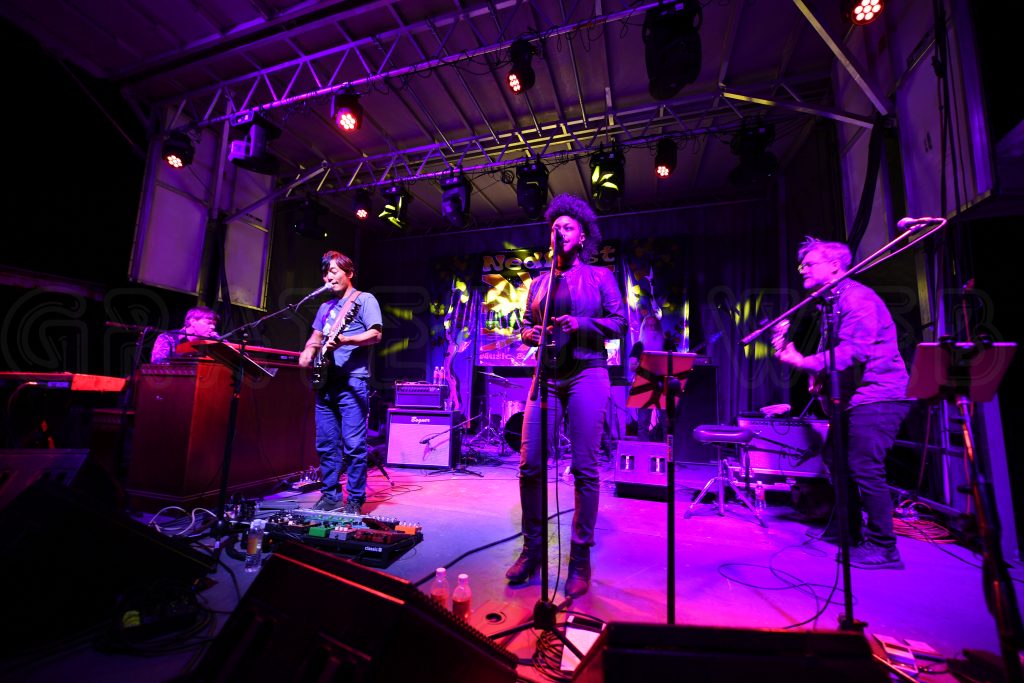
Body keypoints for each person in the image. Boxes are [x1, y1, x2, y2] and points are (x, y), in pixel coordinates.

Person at [505, 194, 627, 597]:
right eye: (555, 227)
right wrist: (531, 333)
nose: (560, 231)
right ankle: (532, 549)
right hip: (547, 376)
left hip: (587, 373)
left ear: (582, 235)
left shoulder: (600, 276)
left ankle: (579, 558)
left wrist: (582, 323)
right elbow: (525, 325)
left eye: (568, 227)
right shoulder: (540, 282)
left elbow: (620, 323)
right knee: (530, 465)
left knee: (585, 468)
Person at [776, 237, 911, 569]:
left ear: (835, 266)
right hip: (856, 397)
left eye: (810, 264)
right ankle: (848, 529)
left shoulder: (857, 298)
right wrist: (818, 375)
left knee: (864, 466)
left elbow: (854, 351)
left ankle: (884, 548)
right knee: (835, 459)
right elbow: (836, 353)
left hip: (879, 394)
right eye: (801, 264)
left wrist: (803, 362)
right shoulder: (831, 304)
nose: (802, 269)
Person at [298, 251, 383, 514]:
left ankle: (355, 499)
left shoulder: (364, 300)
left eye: (334, 271)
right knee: (326, 443)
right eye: (325, 273)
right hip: (325, 381)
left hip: (352, 382)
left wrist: (346, 339)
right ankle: (330, 495)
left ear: (349, 273)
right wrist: (308, 350)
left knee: (353, 445)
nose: (328, 277)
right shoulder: (325, 307)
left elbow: (375, 334)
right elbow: (316, 337)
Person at [628, 314, 669, 442]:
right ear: (644, 328)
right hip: (644, 385)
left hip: (664, 385)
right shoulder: (639, 346)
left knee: (667, 422)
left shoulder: (667, 343)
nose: (652, 328)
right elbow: (631, 366)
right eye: (649, 326)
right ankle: (643, 450)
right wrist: (643, 365)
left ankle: (667, 450)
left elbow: (676, 361)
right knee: (643, 423)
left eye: (654, 326)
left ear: (659, 327)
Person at [150, 306, 220, 363]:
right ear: (193, 321)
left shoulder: (211, 342)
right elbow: (157, 363)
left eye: (214, 324)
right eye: (208, 323)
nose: (213, 327)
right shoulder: (167, 338)